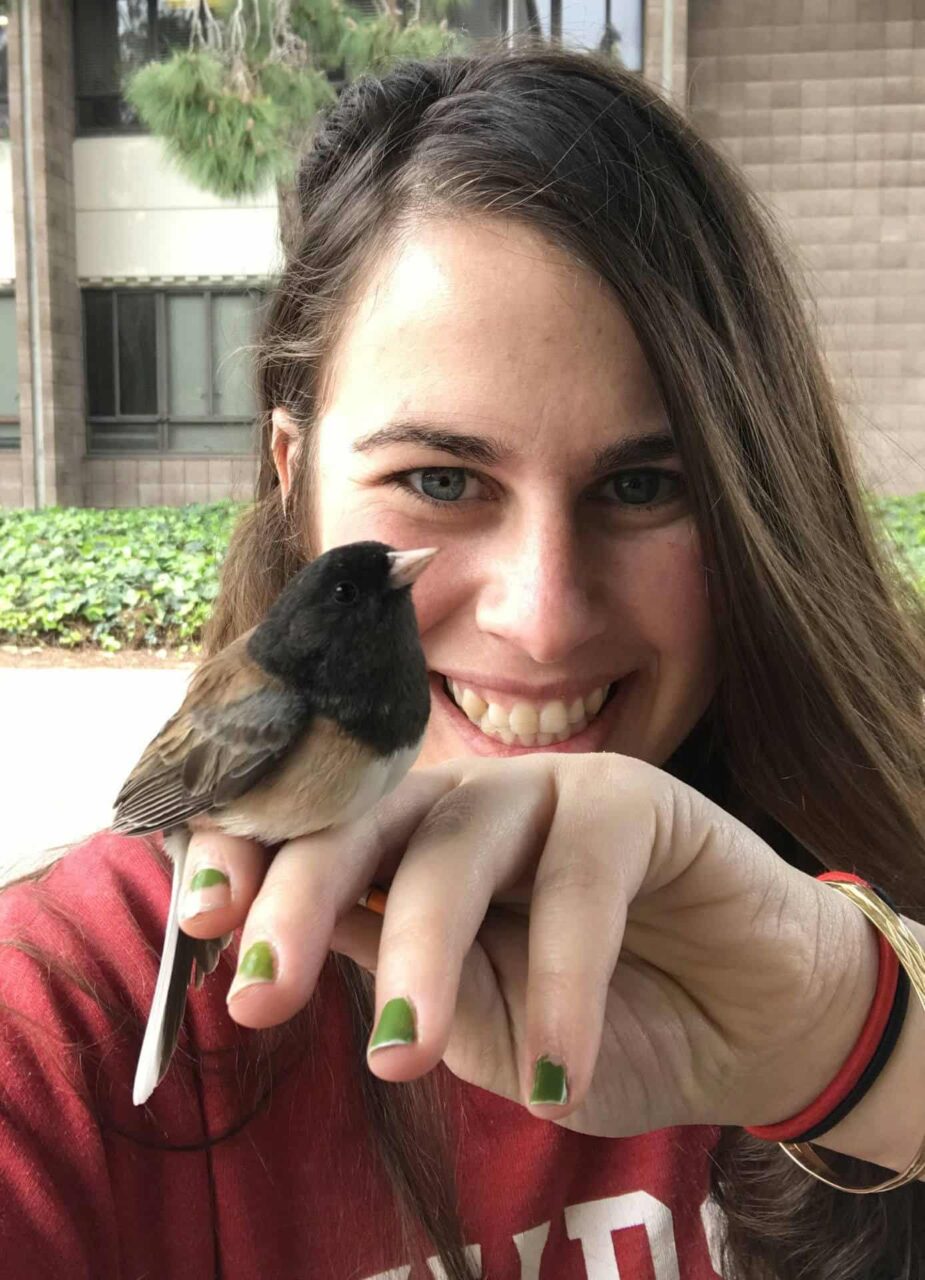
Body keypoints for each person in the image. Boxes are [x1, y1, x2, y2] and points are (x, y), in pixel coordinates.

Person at [1, 45, 923, 1280]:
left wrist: (863, 1041)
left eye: (643, 485)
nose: (542, 616)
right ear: (294, 477)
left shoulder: (885, 838)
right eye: (439, 480)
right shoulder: (57, 1023)